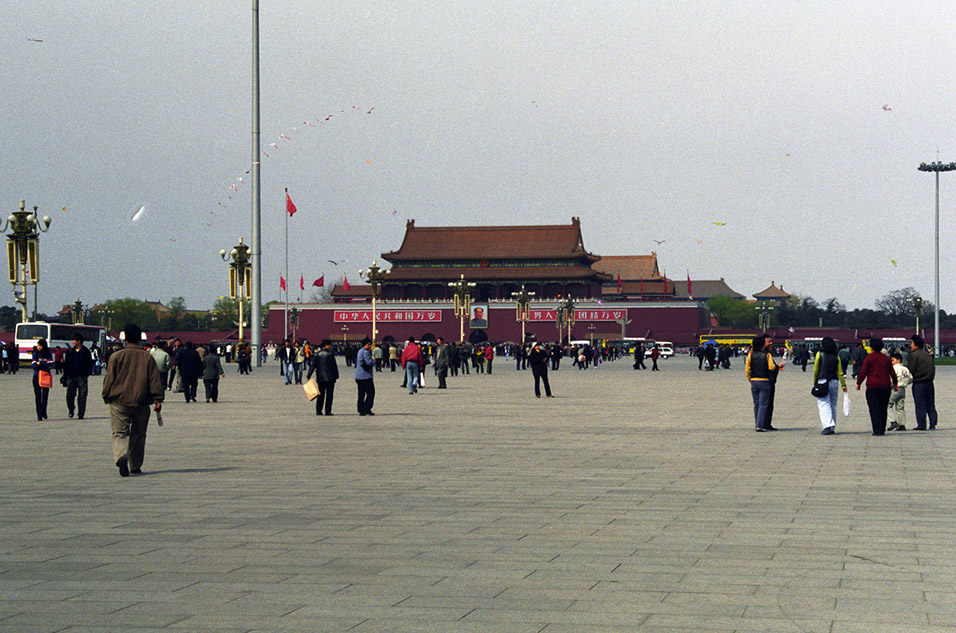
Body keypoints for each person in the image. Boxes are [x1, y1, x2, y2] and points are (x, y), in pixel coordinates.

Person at [101, 324, 164, 477]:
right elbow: (154, 379)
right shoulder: (147, 357)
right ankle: (135, 465)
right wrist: (157, 398)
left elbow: (109, 379)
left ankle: (122, 455)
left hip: (119, 401)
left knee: (120, 433)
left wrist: (106, 394)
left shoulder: (116, 356)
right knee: (138, 434)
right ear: (139, 339)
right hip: (141, 401)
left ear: (126, 338)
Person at [855, 337, 897, 436]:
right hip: (885, 386)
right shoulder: (886, 358)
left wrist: (859, 383)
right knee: (883, 407)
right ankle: (882, 428)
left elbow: (863, 372)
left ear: (871, 347)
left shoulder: (869, 358)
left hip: (872, 386)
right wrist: (895, 383)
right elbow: (892, 372)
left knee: (874, 408)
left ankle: (876, 429)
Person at [745, 335, 783, 432]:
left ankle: (757, 423)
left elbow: (747, 370)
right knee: (764, 404)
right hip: (765, 381)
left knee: (756, 404)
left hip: (754, 381)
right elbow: (771, 367)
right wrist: (777, 367)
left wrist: (750, 379)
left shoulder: (750, 355)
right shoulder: (767, 355)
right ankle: (761, 425)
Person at [811, 337, 846, 435]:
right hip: (834, 381)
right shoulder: (836, 355)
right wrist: (843, 384)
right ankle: (832, 426)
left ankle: (827, 425)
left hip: (822, 380)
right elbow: (840, 371)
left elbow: (816, 370)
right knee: (833, 404)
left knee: (823, 403)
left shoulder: (819, 354)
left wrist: (815, 382)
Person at [907, 335, 938, 431]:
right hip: (929, 382)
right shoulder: (927, 355)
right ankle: (933, 423)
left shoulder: (914, 355)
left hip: (919, 383)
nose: (911, 345)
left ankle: (921, 424)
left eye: (912, 343)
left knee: (920, 404)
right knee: (930, 403)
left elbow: (911, 369)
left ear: (916, 345)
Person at [63, 333, 94, 420]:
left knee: (82, 396)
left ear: (79, 341)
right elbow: (66, 364)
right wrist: (65, 375)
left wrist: (86, 374)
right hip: (71, 377)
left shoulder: (86, 352)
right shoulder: (70, 352)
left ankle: (81, 413)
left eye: (74, 340)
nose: (73, 342)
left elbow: (89, 364)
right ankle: (71, 409)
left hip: (82, 377)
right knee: (69, 395)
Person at [307, 339, 339, 415]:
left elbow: (313, 366)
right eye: (329, 345)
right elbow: (334, 366)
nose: (330, 346)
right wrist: (336, 375)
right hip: (330, 378)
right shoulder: (330, 354)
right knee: (329, 395)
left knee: (320, 394)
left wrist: (309, 375)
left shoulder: (316, 354)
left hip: (320, 378)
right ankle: (328, 411)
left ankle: (318, 410)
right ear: (326, 345)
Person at [888, 353, 913, 431]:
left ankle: (893, 421)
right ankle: (902, 424)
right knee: (900, 407)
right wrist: (905, 383)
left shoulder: (894, 368)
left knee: (888, 404)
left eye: (893, 360)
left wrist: (889, 386)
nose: (891, 362)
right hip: (903, 388)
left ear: (898, 360)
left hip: (896, 388)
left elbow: (892, 379)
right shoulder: (905, 369)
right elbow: (911, 378)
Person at [31, 338, 54, 421]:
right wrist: (44, 364)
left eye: (40, 346)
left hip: (45, 376)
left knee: (45, 395)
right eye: (38, 345)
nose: (39, 347)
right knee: (37, 396)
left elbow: (51, 363)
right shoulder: (35, 354)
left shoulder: (48, 354)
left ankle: (44, 410)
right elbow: (34, 365)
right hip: (36, 376)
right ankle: (39, 414)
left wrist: (39, 363)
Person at [355, 338, 375, 415]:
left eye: (370, 344)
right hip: (366, 376)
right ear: (365, 345)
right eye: (368, 344)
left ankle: (361, 409)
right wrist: (373, 362)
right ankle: (367, 408)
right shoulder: (366, 352)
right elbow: (368, 362)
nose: (370, 346)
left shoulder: (360, 351)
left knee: (361, 394)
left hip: (359, 376)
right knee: (371, 393)